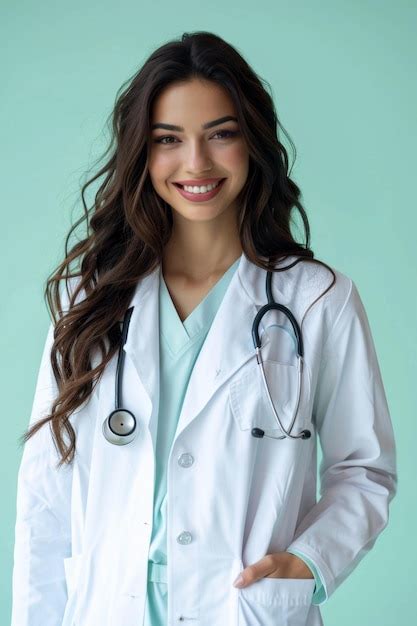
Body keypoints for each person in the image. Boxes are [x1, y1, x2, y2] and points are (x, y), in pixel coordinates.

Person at [11, 31, 397, 626]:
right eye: (169, 140)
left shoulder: (318, 300)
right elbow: (45, 496)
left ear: (254, 142)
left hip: (241, 607)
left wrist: (308, 561)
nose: (197, 163)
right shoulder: (90, 301)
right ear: (143, 151)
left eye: (221, 133)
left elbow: (363, 469)